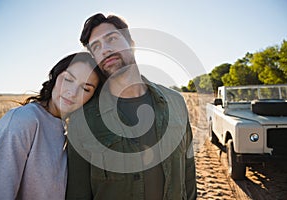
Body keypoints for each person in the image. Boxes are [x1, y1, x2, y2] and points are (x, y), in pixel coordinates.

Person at [66, 13, 197, 200]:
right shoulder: (82, 120)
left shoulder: (175, 102)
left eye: (111, 38)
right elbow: (77, 193)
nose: (105, 49)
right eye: (96, 46)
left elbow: (188, 173)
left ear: (131, 43)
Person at [0, 52, 100, 199]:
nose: (72, 93)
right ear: (55, 76)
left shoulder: (66, 131)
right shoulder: (24, 120)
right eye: (68, 79)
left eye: (86, 89)